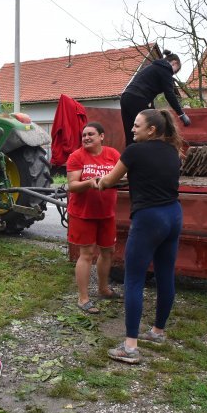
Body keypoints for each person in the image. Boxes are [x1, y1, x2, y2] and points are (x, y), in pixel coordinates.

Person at [97, 109, 183, 364]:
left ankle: (130, 347)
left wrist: (99, 183)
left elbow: (111, 180)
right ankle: (158, 331)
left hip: (149, 219)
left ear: (152, 130)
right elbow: (151, 177)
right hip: (173, 215)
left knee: (133, 278)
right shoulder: (173, 152)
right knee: (165, 274)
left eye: (136, 126)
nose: (132, 129)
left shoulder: (134, 152)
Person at [66, 122, 122, 314]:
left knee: (108, 251)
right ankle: (83, 298)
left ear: (102, 136)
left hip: (107, 213)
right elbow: (72, 185)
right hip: (84, 214)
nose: (86, 138)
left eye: (91, 134)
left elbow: (123, 175)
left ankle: (103, 288)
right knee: (87, 254)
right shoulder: (77, 156)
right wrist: (89, 183)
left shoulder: (113, 155)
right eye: (84, 135)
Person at [120, 50, 191, 148]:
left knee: (131, 133)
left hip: (126, 97)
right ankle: (152, 154)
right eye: (175, 71)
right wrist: (181, 114)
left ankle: (129, 158)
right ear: (174, 63)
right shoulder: (166, 69)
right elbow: (169, 94)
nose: (172, 74)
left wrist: (151, 107)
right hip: (138, 98)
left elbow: (148, 87)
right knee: (148, 131)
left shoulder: (152, 67)